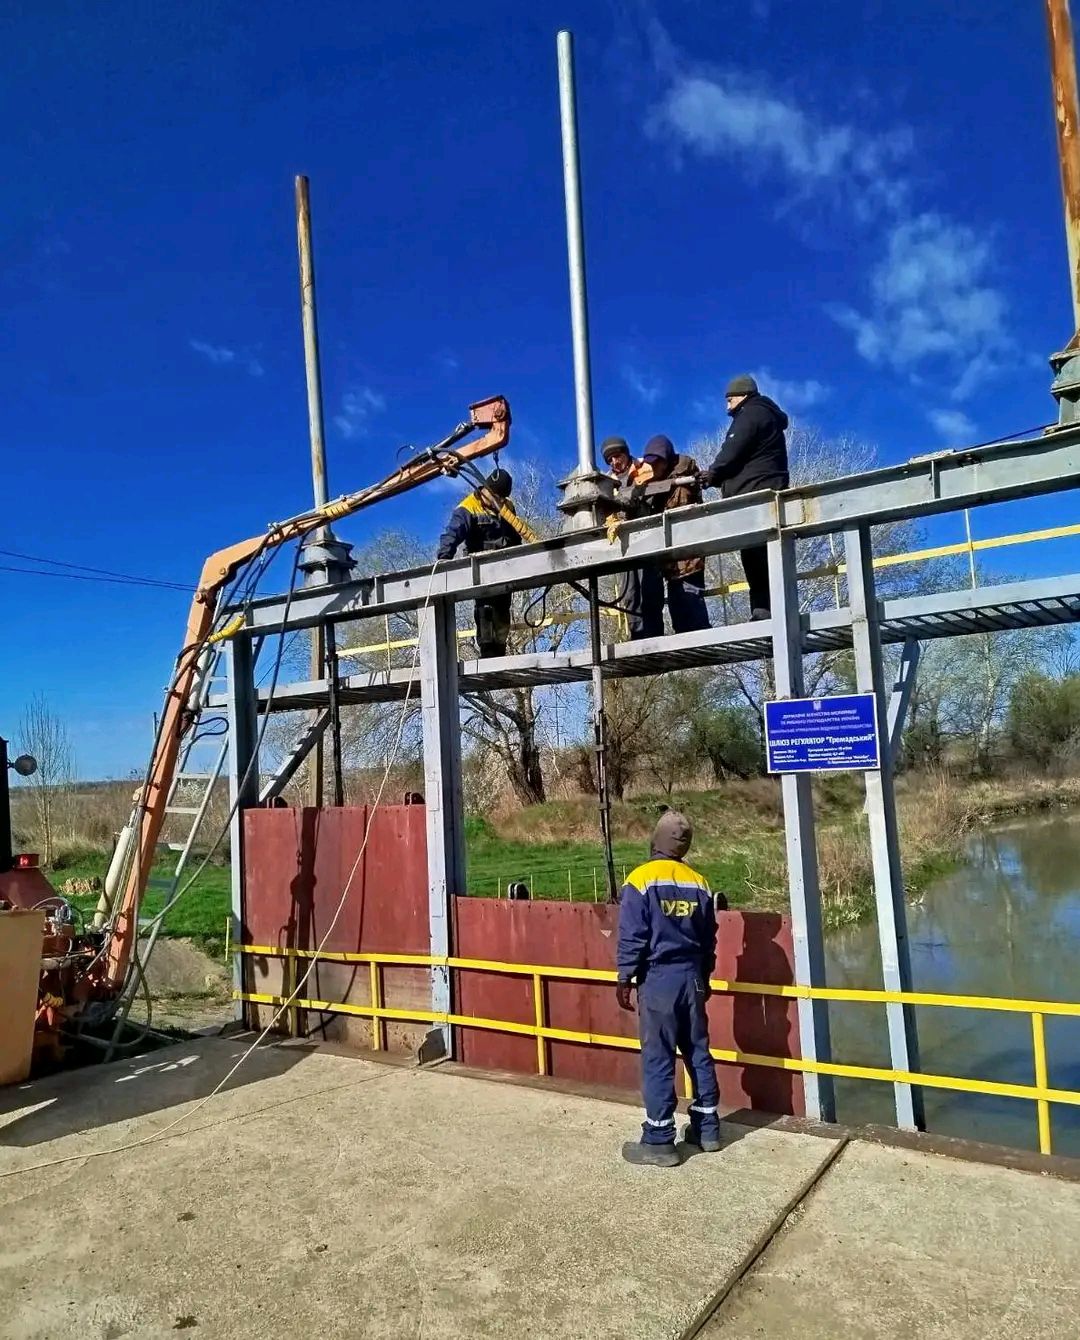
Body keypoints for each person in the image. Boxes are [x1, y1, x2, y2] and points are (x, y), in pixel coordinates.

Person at [616, 810, 726, 1166]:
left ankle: (660, 1140)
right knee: (697, 1050)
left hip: (659, 978)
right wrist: (704, 977)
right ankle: (707, 1128)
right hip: (692, 977)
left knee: (658, 1055)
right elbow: (710, 938)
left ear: (655, 840)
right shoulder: (700, 883)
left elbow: (634, 934)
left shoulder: (641, 880)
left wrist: (624, 975)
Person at [701, 375, 789, 620]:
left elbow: (734, 448)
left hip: (754, 495)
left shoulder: (751, 414)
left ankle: (764, 612)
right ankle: (769, 609)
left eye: (729, 400)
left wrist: (713, 474)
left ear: (743, 395)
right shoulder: (765, 415)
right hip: (764, 490)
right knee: (764, 557)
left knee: (756, 558)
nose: (727, 406)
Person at [436, 468, 521, 657]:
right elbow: (452, 533)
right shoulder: (468, 507)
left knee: (502, 610)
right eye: (496, 497)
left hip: (504, 568)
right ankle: (487, 649)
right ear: (487, 490)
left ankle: (499, 649)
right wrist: (444, 559)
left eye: (501, 499)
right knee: (485, 610)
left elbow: (516, 536)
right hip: (481, 570)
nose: (498, 502)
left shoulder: (508, 507)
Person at [637, 434, 711, 638]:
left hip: (687, 556)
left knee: (689, 598)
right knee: (679, 601)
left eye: (656, 463)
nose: (653, 468)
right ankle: (689, 636)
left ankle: (699, 638)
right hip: (673, 559)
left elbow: (679, 513)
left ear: (666, 459)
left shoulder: (681, 482)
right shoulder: (663, 482)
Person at [600, 436, 646, 640]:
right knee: (629, 593)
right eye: (610, 460)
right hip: (623, 545)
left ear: (626, 453)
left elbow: (645, 494)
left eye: (617, 457)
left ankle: (653, 634)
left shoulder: (643, 468)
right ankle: (637, 636)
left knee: (649, 588)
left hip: (646, 538)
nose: (614, 462)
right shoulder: (607, 482)